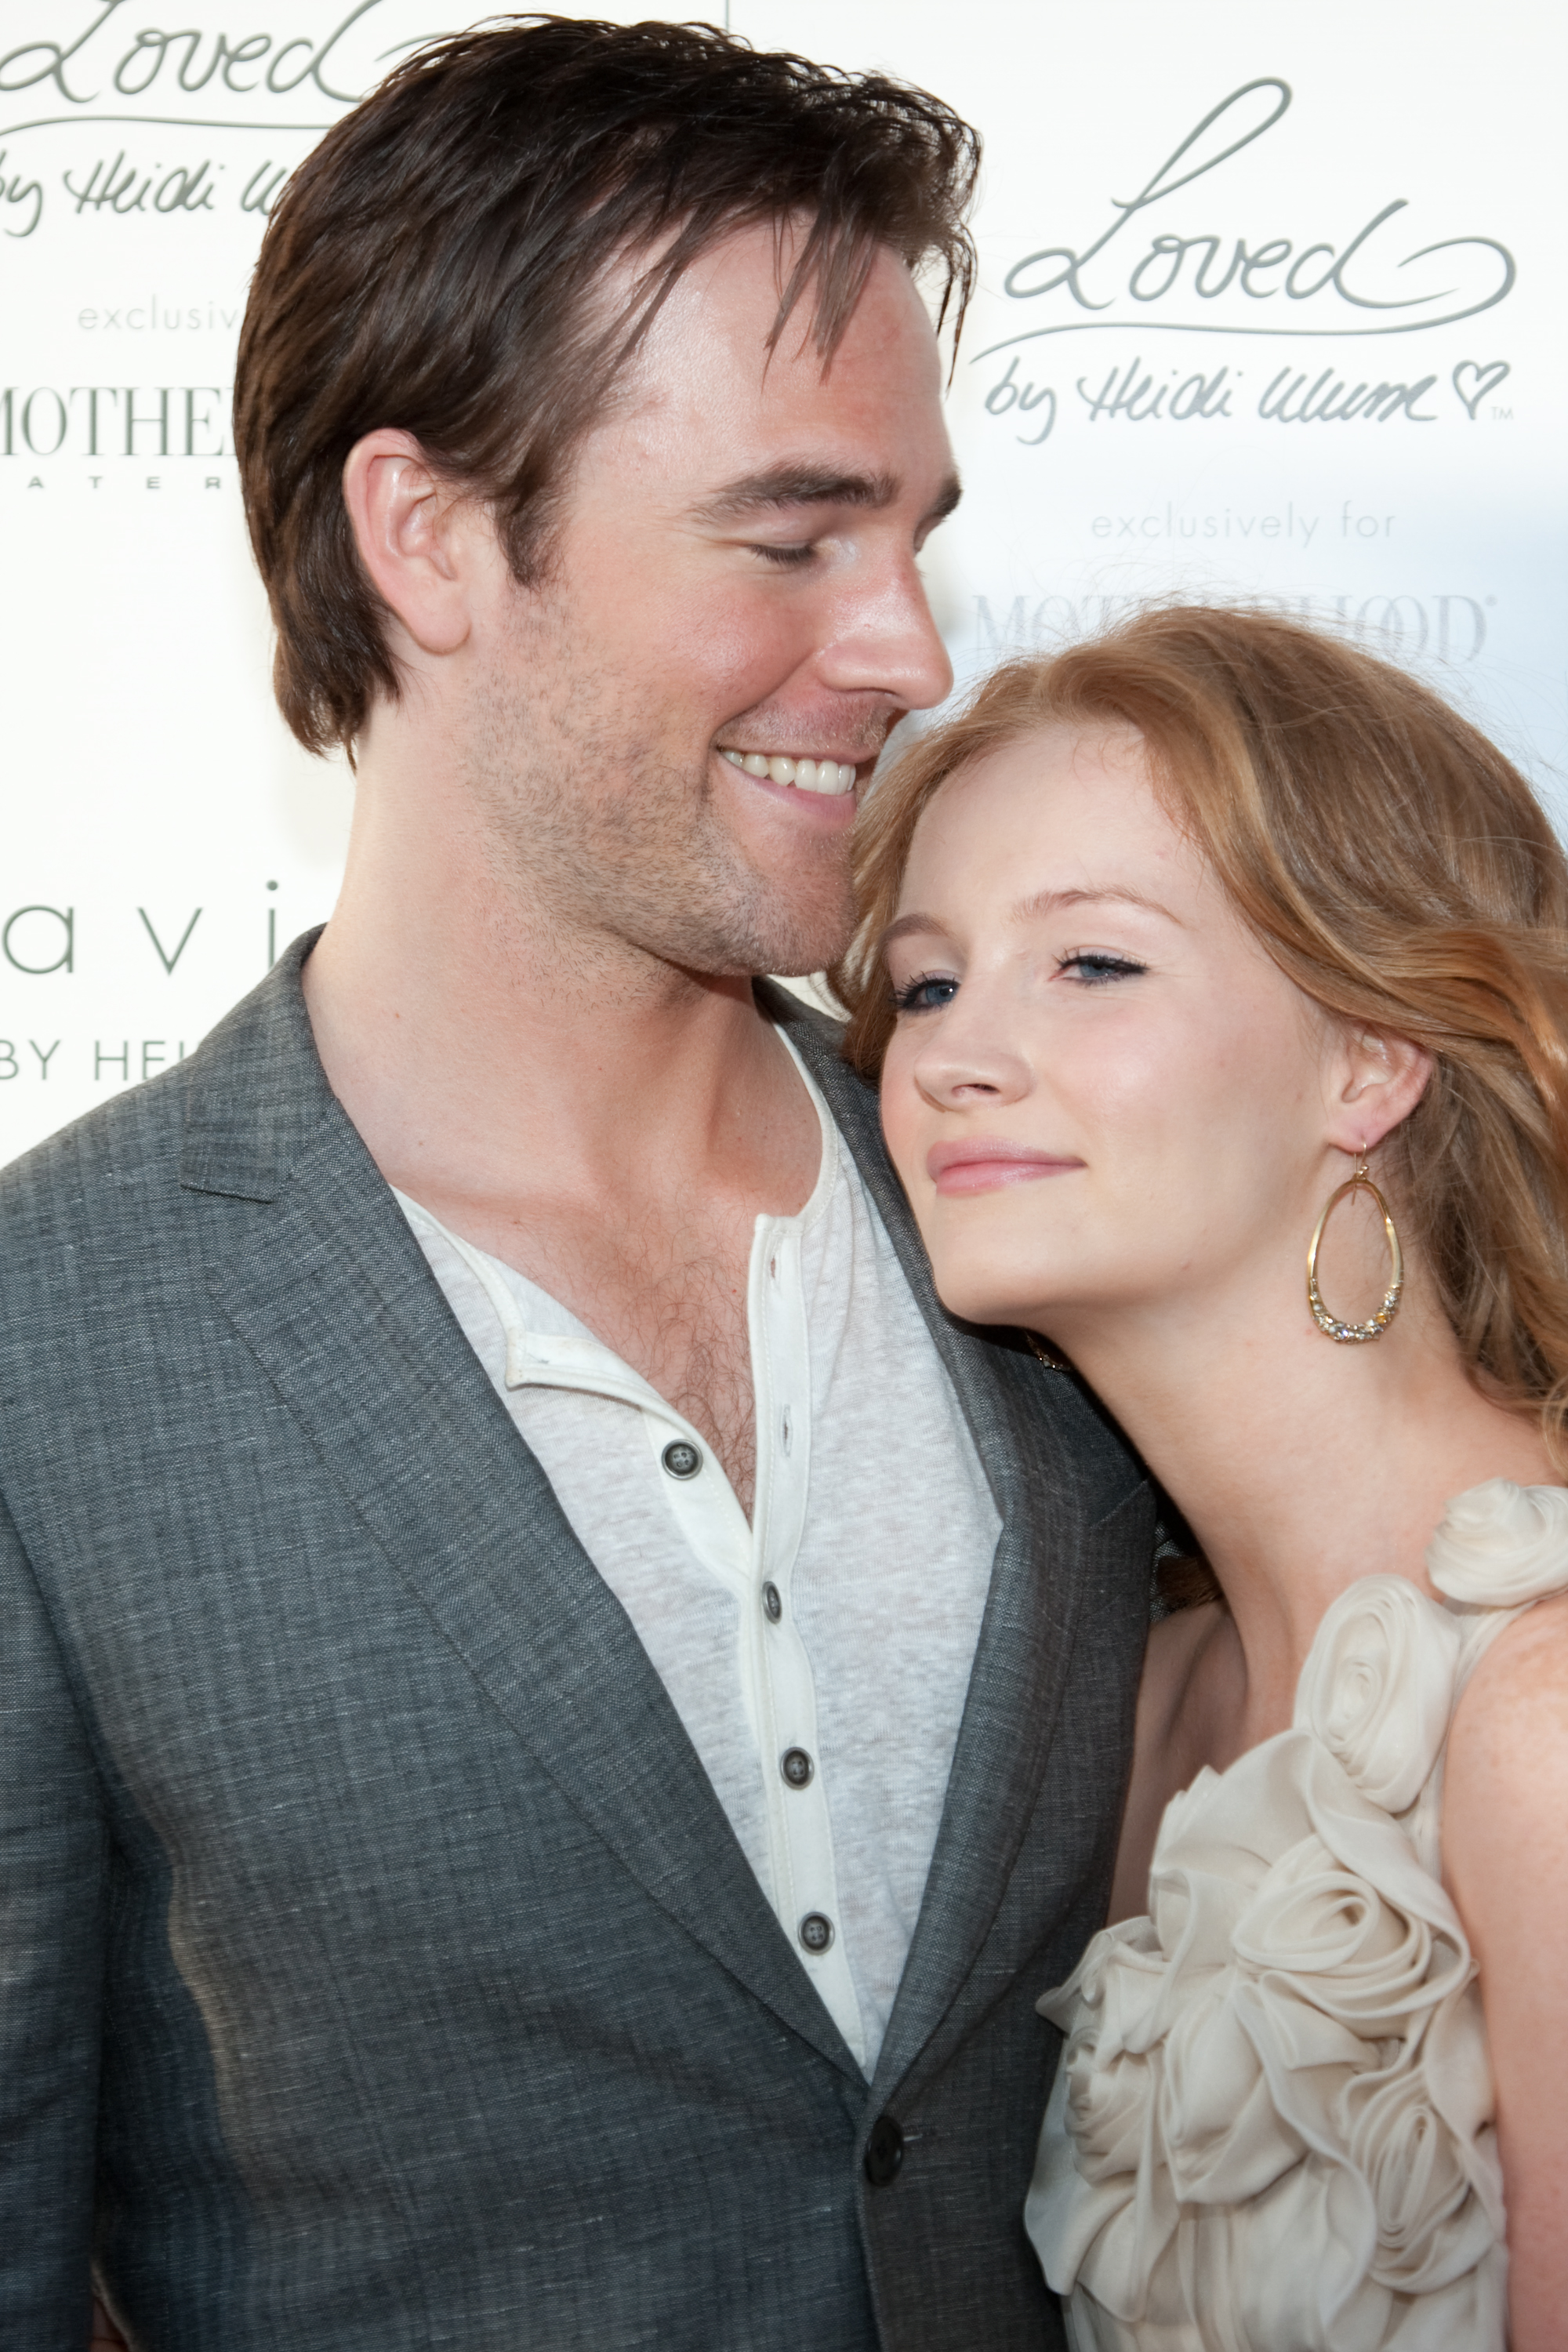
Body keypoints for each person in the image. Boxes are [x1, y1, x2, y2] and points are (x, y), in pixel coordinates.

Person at [0, 20, 1161, 2348]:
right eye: (791, 533)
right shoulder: (49, 1353)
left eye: (914, 537)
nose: (910, 651)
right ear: (427, 537)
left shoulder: (1046, 1191)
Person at [838, 603, 1568, 2349]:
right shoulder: (1143, 1708)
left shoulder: (1540, 1708)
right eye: (927, 980)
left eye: (1091, 963)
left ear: (1370, 1056)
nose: (949, 1053)